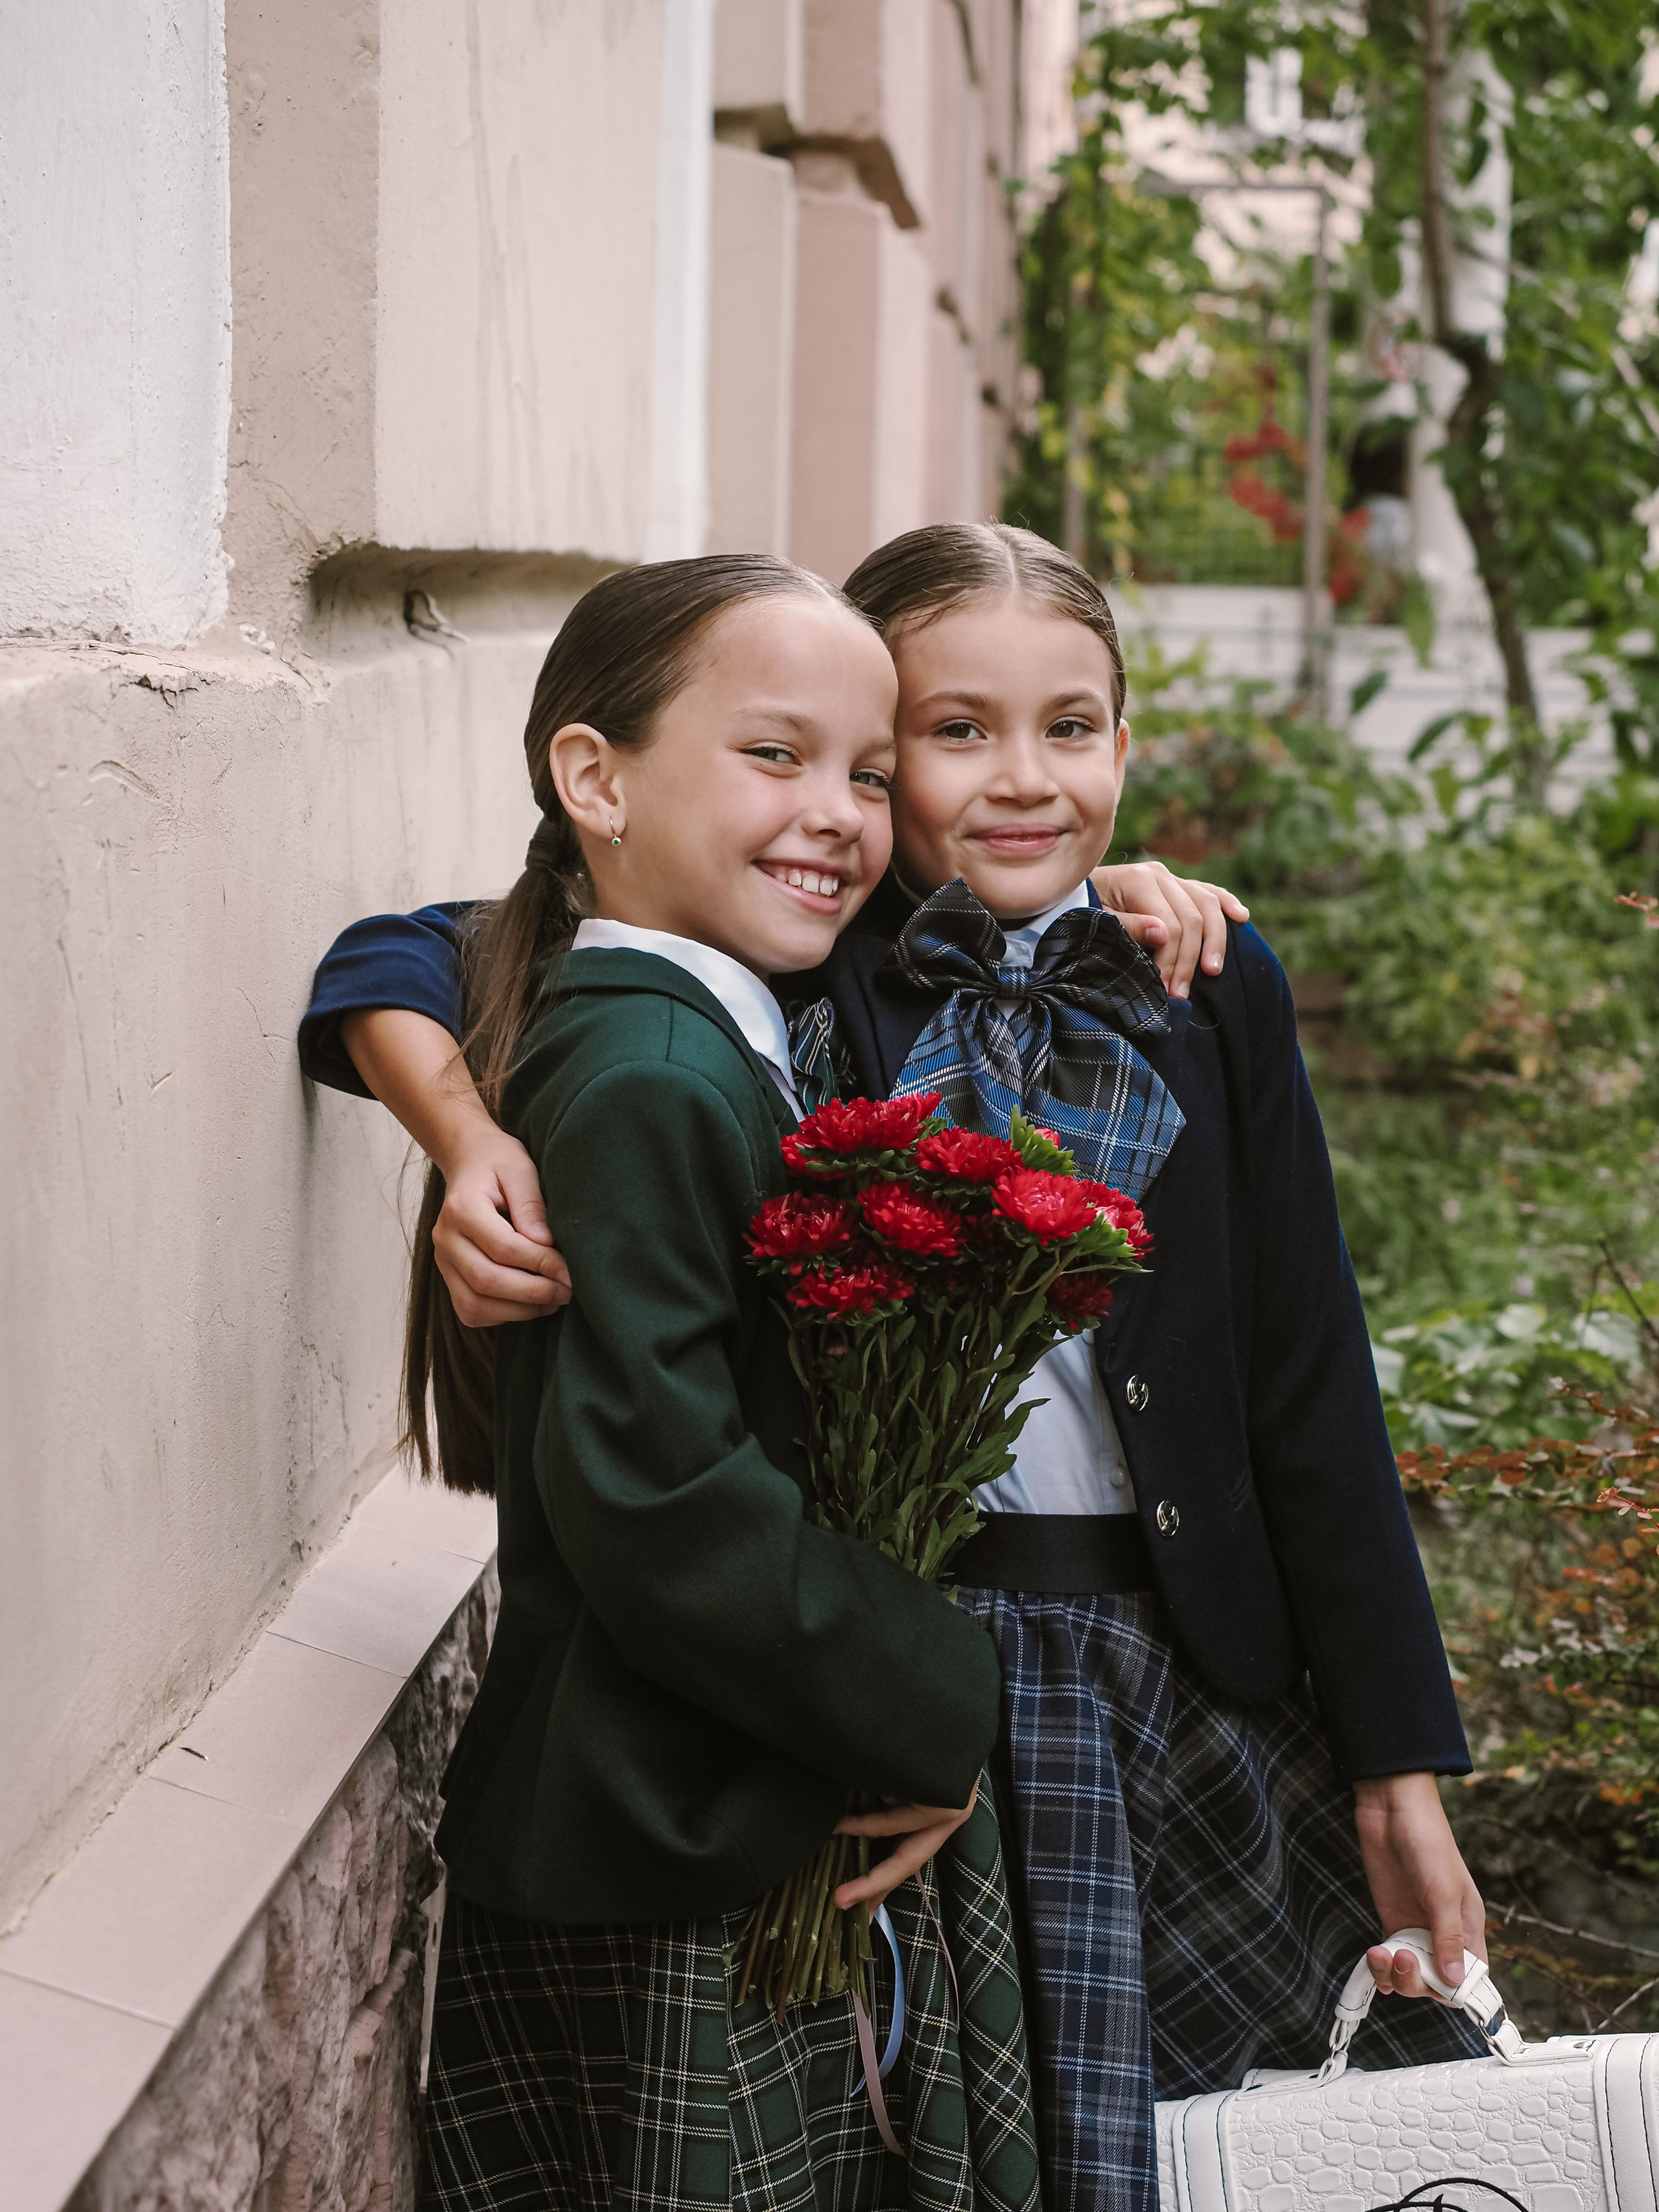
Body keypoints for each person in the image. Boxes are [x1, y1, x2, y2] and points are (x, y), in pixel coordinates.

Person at [300, 526, 1485, 2212]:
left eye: (1073, 727)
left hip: (1185, 1674)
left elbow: (1312, 1389)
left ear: (1129, 746)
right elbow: (410, 950)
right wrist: (469, 1136)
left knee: (1199, 2131)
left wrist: (1398, 1758)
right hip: (925, 1634)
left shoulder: (1202, 981)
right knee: (961, 2137)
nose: (1020, 777)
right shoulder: (818, 959)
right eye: (950, 732)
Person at [364, 552, 1043, 2212]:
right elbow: (656, 1498)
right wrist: (930, 1694)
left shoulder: (710, 1018)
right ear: (592, 778)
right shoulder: (654, 1072)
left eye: (869, 774)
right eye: (774, 756)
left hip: (705, 1807)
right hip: (664, 1841)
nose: (838, 814)